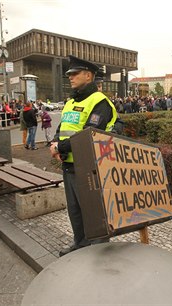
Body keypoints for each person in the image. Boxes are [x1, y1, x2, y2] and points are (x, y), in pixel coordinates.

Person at [49, 55, 117, 257]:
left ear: (88, 76)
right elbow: (63, 128)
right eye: (69, 74)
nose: (70, 77)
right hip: (70, 166)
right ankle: (80, 244)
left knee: (95, 214)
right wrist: (55, 143)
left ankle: (99, 252)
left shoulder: (100, 102)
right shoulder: (71, 102)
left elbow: (89, 135)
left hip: (91, 167)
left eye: (74, 73)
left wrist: (60, 147)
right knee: (75, 211)